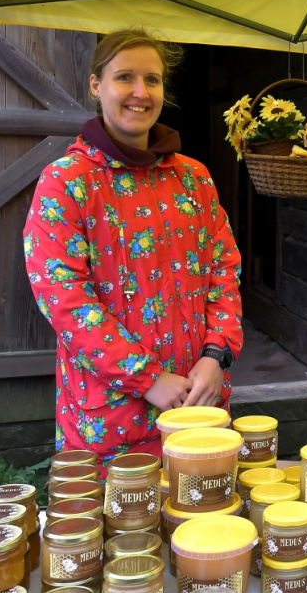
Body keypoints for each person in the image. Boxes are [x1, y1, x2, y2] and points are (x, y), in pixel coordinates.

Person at [23, 29, 244, 472]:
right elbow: (64, 299)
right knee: (119, 517)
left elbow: (225, 271)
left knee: (202, 510)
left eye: (152, 80)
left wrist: (216, 356)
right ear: (96, 84)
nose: (141, 92)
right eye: (125, 77)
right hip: (110, 421)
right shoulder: (66, 183)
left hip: (198, 407)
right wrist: (147, 378)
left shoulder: (193, 179)